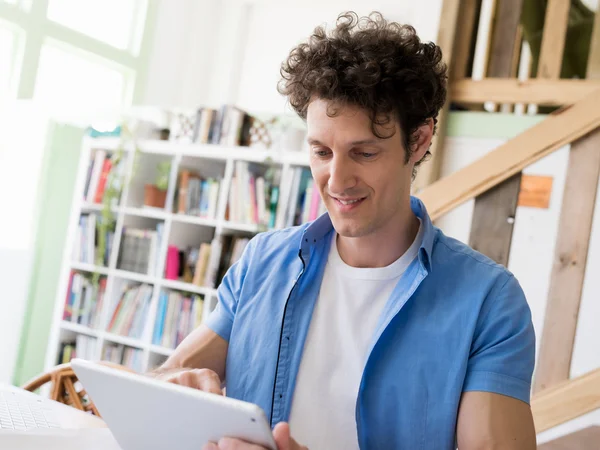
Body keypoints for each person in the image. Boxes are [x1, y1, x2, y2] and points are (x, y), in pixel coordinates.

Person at [151, 11, 537, 450]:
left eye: (364, 152)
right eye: (320, 151)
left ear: (419, 141)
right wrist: (176, 387)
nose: (336, 180)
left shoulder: (488, 302)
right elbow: (166, 378)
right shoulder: (263, 261)